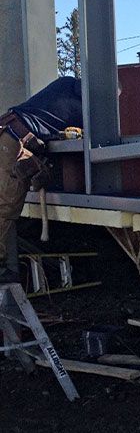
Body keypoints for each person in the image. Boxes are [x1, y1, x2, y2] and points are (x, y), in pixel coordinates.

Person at [0, 76, 83, 282]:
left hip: (7, 130)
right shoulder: (84, 105)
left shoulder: (65, 82)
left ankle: (7, 269)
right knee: (6, 208)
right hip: (13, 143)